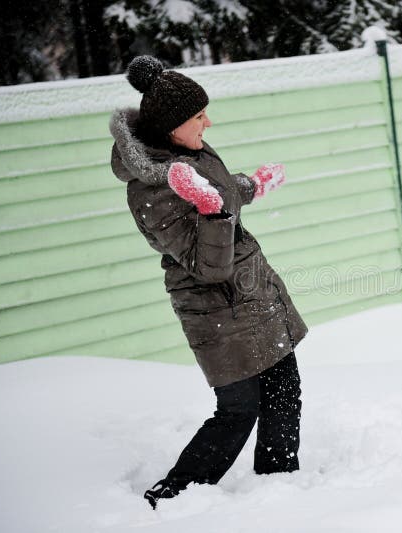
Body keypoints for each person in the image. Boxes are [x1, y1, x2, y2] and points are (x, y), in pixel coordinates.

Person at [109, 55, 308, 509]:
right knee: (238, 411)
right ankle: (171, 497)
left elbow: (220, 191)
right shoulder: (151, 188)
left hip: (251, 294)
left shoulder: (191, 153)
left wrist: (251, 185)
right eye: (199, 116)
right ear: (173, 126)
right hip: (216, 308)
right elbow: (206, 266)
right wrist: (213, 210)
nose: (209, 123)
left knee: (285, 391)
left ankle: (281, 489)